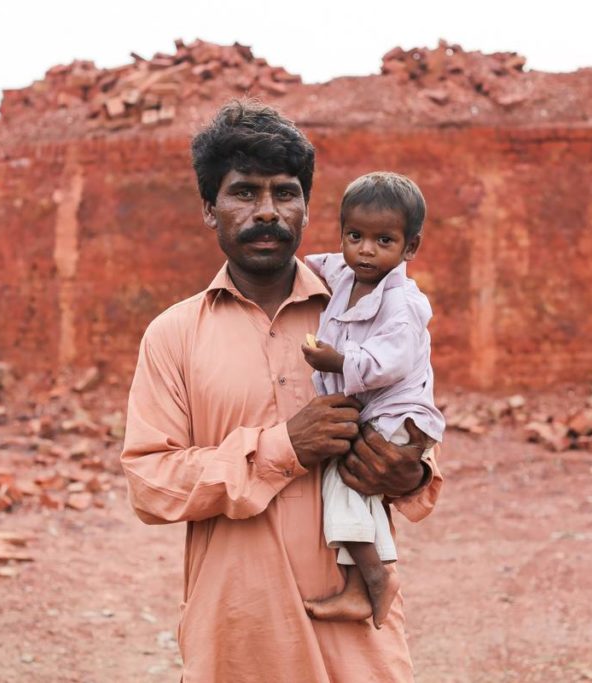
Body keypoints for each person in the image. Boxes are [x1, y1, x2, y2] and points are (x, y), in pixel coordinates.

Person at [120, 100, 442, 682]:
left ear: (306, 207)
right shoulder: (173, 335)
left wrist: (410, 472)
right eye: (243, 192)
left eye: (285, 193)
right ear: (209, 208)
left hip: (356, 641)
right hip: (239, 636)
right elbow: (150, 484)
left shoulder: (372, 313)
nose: (266, 211)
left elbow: (414, 430)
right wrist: (283, 448)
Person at [301, 172, 445, 630]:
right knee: (358, 492)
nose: (365, 250)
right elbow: (315, 265)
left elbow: (391, 361)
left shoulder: (403, 302)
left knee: (346, 480)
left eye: (383, 240)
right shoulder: (346, 274)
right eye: (354, 236)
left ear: (410, 248)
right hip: (376, 409)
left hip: (398, 409)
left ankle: (374, 579)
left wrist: (338, 361)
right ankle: (371, 581)